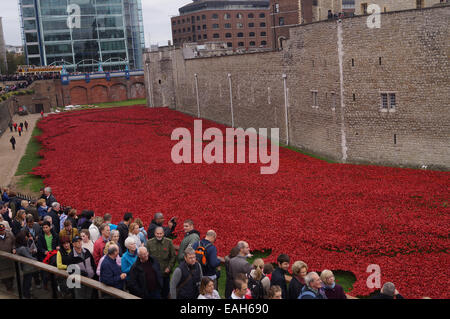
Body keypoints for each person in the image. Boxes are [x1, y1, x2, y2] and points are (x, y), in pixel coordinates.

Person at [146, 226, 176, 299]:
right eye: (157, 233)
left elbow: (173, 257)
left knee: (165, 292)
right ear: (154, 233)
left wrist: (169, 267)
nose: (159, 235)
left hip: (165, 273)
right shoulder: (149, 243)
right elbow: (147, 258)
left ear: (163, 233)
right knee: (155, 293)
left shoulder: (169, 242)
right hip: (153, 274)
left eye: (161, 233)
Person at [15, 230, 37, 298]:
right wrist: (37, 260)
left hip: (25, 268)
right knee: (27, 282)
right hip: (27, 268)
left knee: (26, 281)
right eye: (25, 237)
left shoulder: (19, 246)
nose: (27, 237)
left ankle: (26, 294)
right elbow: (30, 257)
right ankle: (26, 295)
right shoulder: (22, 249)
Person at [0, 223, 16, 291]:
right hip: (1, 261)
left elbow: (14, 243)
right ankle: (9, 288)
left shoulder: (10, 234)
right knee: (4, 274)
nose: (2, 231)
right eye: (1, 230)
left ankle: (11, 285)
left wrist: (14, 248)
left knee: (11, 274)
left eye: (3, 230)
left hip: (10, 258)